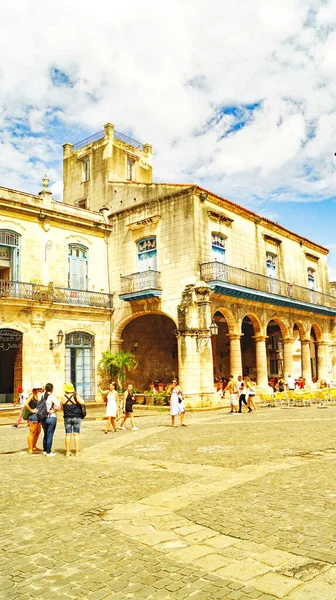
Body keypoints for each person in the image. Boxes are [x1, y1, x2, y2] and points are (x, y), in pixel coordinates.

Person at [60, 383, 85, 457]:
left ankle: (67, 451)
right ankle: (77, 452)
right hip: (76, 417)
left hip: (67, 417)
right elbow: (83, 403)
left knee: (68, 434)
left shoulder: (63, 397)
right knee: (76, 434)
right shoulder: (75, 396)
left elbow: (61, 408)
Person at [40, 383, 60, 457]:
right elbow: (58, 405)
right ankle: (49, 452)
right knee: (50, 434)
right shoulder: (51, 396)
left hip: (43, 417)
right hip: (51, 417)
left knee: (45, 433)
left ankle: (45, 450)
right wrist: (54, 410)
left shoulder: (41, 395)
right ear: (52, 389)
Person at [24, 382, 43, 454]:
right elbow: (26, 404)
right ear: (35, 389)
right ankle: (30, 448)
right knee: (32, 432)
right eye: (39, 389)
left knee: (38, 431)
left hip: (38, 415)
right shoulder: (32, 395)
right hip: (33, 416)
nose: (40, 390)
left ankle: (34, 446)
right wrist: (31, 410)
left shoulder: (36, 395)